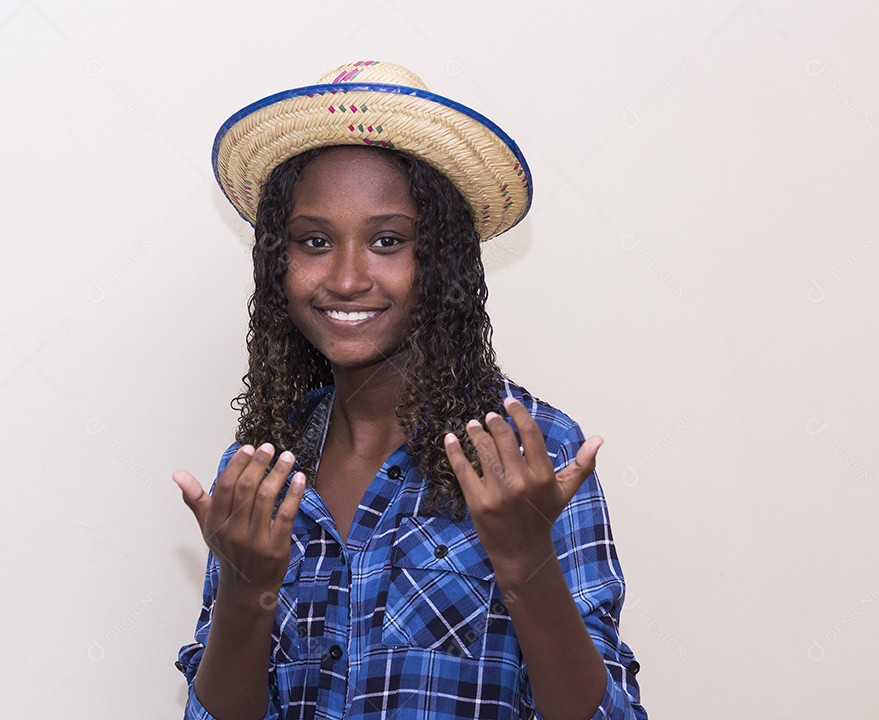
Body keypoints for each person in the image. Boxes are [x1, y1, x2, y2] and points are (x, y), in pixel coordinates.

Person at [172, 60, 646, 720]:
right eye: (314, 241)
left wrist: (525, 562)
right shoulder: (264, 470)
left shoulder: (533, 452)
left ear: (442, 258)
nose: (346, 276)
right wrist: (248, 593)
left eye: (387, 240)